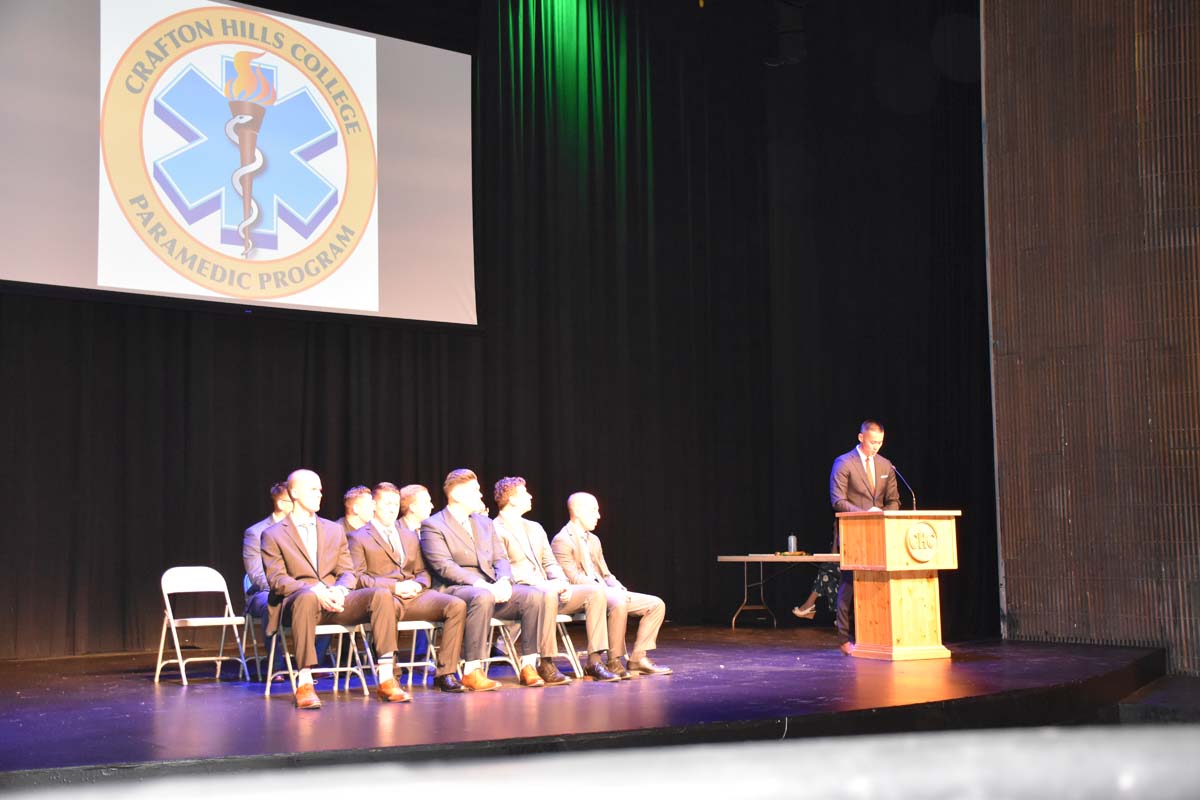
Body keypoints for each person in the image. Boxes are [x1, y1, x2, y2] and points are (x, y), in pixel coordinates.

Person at [260, 468, 409, 708]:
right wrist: (316, 590)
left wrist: (340, 590)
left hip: (335, 599)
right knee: (307, 598)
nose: (320, 493)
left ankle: (386, 678)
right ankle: (305, 682)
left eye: (320, 489)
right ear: (294, 493)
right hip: (298, 602)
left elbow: (348, 572)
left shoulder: (333, 529)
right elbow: (277, 580)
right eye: (313, 489)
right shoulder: (273, 534)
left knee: (381, 594)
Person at [420, 469, 567, 687]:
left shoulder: (484, 523)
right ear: (457, 495)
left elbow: (500, 558)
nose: (481, 496)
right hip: (456, 589)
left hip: (490, 587)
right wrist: (481, 584)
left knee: (534, 596)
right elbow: (444, 566)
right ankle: (472, 670)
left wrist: (504, 581)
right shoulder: (433, 524)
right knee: (482, 596)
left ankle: (528, 665)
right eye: (475, 491)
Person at [347, 482, 472, 693]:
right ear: (374, 505)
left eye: (395, 504)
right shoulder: (358, 537)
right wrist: (395, 587)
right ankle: (391, 676)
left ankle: (445, 673)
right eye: (386, 503)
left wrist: (417, 584)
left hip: (414, 596)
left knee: (456, 605)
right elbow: (358, 578)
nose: (392, 508)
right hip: (387, 597)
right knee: (385, 605)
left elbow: (423, 571)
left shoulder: (408, 534)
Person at [492, 477, 620, 682]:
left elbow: (550, 563)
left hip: (549, 590)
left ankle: (594, 661)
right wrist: (545, 585)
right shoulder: (495, 529)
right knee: (548, 592)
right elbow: (503, 569)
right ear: (512, 499)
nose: (531, 496)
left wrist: (561, 581)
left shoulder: (535, 528)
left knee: (595, 592)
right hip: (522, 593)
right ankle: (546, 663)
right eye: (525, 493)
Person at [551, 492, 671, 677]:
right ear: (577, 511)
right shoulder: (562, 540)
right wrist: (608, 591)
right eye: (593, 511)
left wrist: (617, 586)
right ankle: (614, 660)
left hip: (606, 592)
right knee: (618, 600)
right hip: (585, 596)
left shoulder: (594, 540)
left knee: (656, 604)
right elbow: (574, 578)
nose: (598, 516)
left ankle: (638, 658)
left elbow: (605, 573)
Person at [830, 420, 900, 655]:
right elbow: (837, 500)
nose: (876, 447)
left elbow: (893, 500)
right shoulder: (844, 462)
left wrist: (885, 515)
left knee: (879, 586)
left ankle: (876, 636)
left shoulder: (886, 465)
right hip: (854, 534)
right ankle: (843, 639)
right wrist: (865, 513)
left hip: (880, 535)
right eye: (872, 442)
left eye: (880, 443)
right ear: (861, 438)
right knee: (848, 586)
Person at [243, 481, 292, 622]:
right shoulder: (256, 533)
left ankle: (315, 646)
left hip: (300, 589)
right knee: (272, 605)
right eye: (294, 502)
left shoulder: (304, 530)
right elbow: (257, 575)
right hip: (266, 591)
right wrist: (288, 589)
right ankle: (273, 645)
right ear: (282, 504)